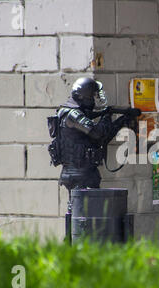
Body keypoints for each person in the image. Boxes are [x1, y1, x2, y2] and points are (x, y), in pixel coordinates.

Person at [49, 77, 140, 243]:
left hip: (76, 173)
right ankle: (78, 249)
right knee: (87, 219)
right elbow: (98, 134)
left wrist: (121, 120)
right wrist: (107, 115)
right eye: (92, 97)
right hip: (81, 174)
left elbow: (99, 137)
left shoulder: (67, 111)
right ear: (85, 97)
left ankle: (72, 246)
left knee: (77, 214)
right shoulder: (74, 115)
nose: (94, 101)